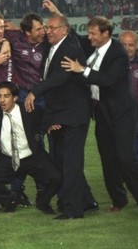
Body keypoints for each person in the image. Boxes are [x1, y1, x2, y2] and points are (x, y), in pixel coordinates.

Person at [61, 17, 138, 212]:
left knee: (125, 157)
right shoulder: (94, 48)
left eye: (93, 33)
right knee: (108, 158)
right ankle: (119, 200)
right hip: (103, 114)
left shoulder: (118, 53)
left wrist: (82, 70)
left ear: (106, 34)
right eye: (89, 33)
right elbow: (75, 36)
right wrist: (58, 14)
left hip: (122, 115)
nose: (89, 37)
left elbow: (109, 79)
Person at [25, 14, 97, 220]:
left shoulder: (70, 49)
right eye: (47, 27)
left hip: (73, 114)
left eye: (53, 28)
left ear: (65, 30)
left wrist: (35, 91)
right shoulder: (51, 47)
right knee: (64, 159)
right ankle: (86, 200)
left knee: (71, 162)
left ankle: (73, 210)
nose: (49, 31)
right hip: (60, 112)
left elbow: (60, 78)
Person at [0, 82, 61, 215]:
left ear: (15, 98)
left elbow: (47, 115)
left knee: (56, 177)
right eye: (0, 96)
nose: (2, 100)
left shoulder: (28, 110)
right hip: (7, 158)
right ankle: (10, 199)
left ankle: (43, 201)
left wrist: (51, 124)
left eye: (6, 96)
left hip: (32, 156)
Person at [121, 30, 138, 153]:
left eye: (131, 45)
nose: (127, 48)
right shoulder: (112, 65)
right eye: (123, 44)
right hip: (120, 116)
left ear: (136, 46)